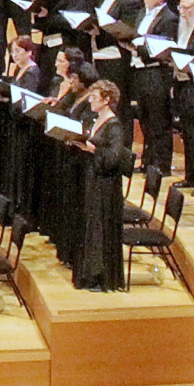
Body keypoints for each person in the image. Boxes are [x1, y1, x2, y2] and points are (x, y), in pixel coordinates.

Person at [74, 78, 129, 292]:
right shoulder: (97, 119)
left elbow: (114, 158)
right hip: (93, 180)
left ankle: (101, 276)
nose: (90, 101)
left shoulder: (114, 126)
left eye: (94, 97)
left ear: (107, 100)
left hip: (106, 186)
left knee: (101, 228)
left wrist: (93, 150)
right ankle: (90, 273)